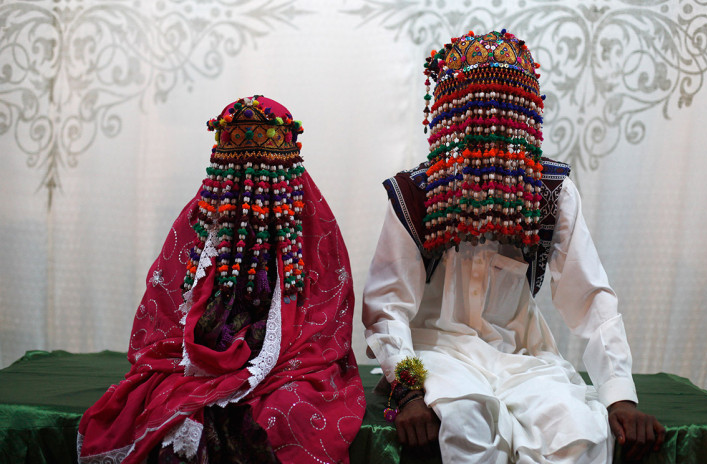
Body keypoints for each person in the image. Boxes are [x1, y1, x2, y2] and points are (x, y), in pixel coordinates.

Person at [362, 30, 665, 463]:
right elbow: (387, 309)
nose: (491, 126)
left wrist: (619, 396)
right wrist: (409, 392)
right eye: (479, 110)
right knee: (465, 423)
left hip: (523, 359)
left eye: (506, 110)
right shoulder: (416, 193)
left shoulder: (550, 192)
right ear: (450, 116)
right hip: (437, 356)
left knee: (581, 434)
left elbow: (590, 297)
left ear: (526, 115)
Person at [78, 96, 365, 463]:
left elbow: (327, 317)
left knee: (290, 414)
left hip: (289, 360)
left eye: (263, 171)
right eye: (239, 168)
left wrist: (267, 354)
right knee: (163, 404)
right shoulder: (200, 221)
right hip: (200, 357)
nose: (251, 181)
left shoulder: (312, 226)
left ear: (286, 167)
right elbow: (165, 308)